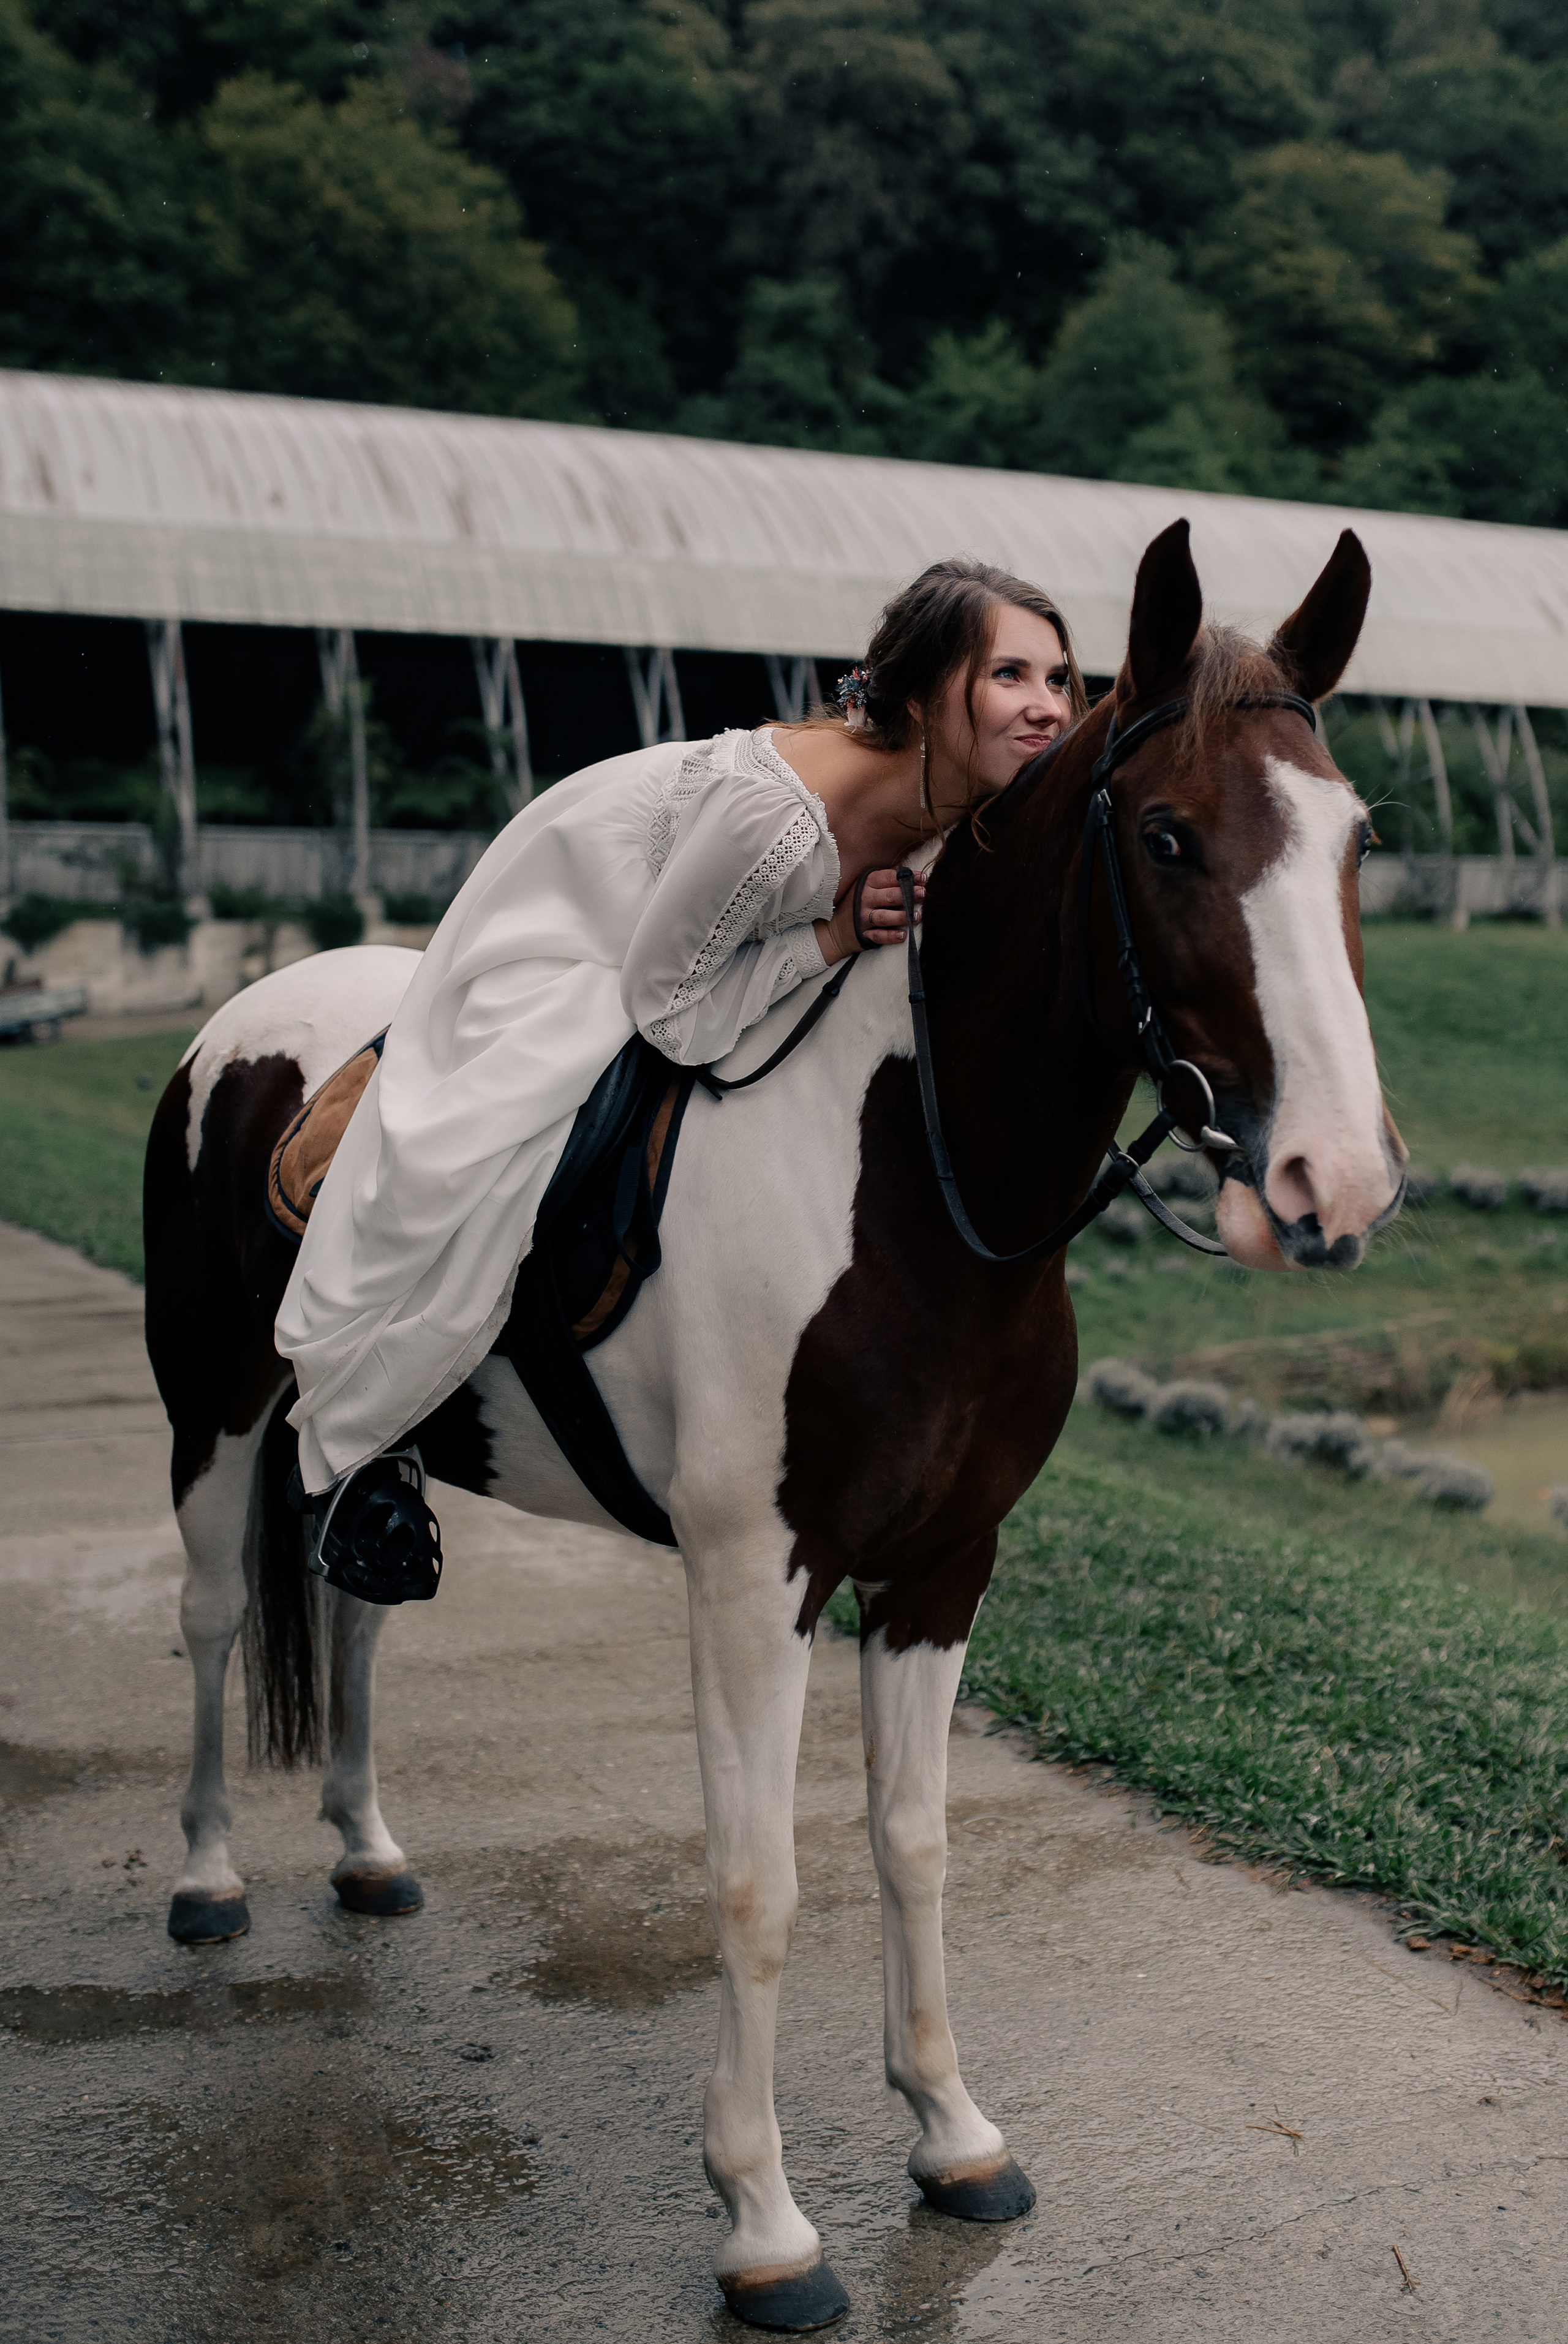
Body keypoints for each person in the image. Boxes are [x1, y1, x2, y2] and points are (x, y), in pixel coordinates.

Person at [276, 558, 1087, 1600]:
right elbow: (668, 1009)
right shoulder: (780, 821)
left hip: (702, 929)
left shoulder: (975, 794)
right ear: (930, 692)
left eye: (1059, 678)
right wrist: (831, 936)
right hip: (594, 926)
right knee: (500, 1127)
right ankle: (369, 1429)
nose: (1046, 706)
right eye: (1010, 674)